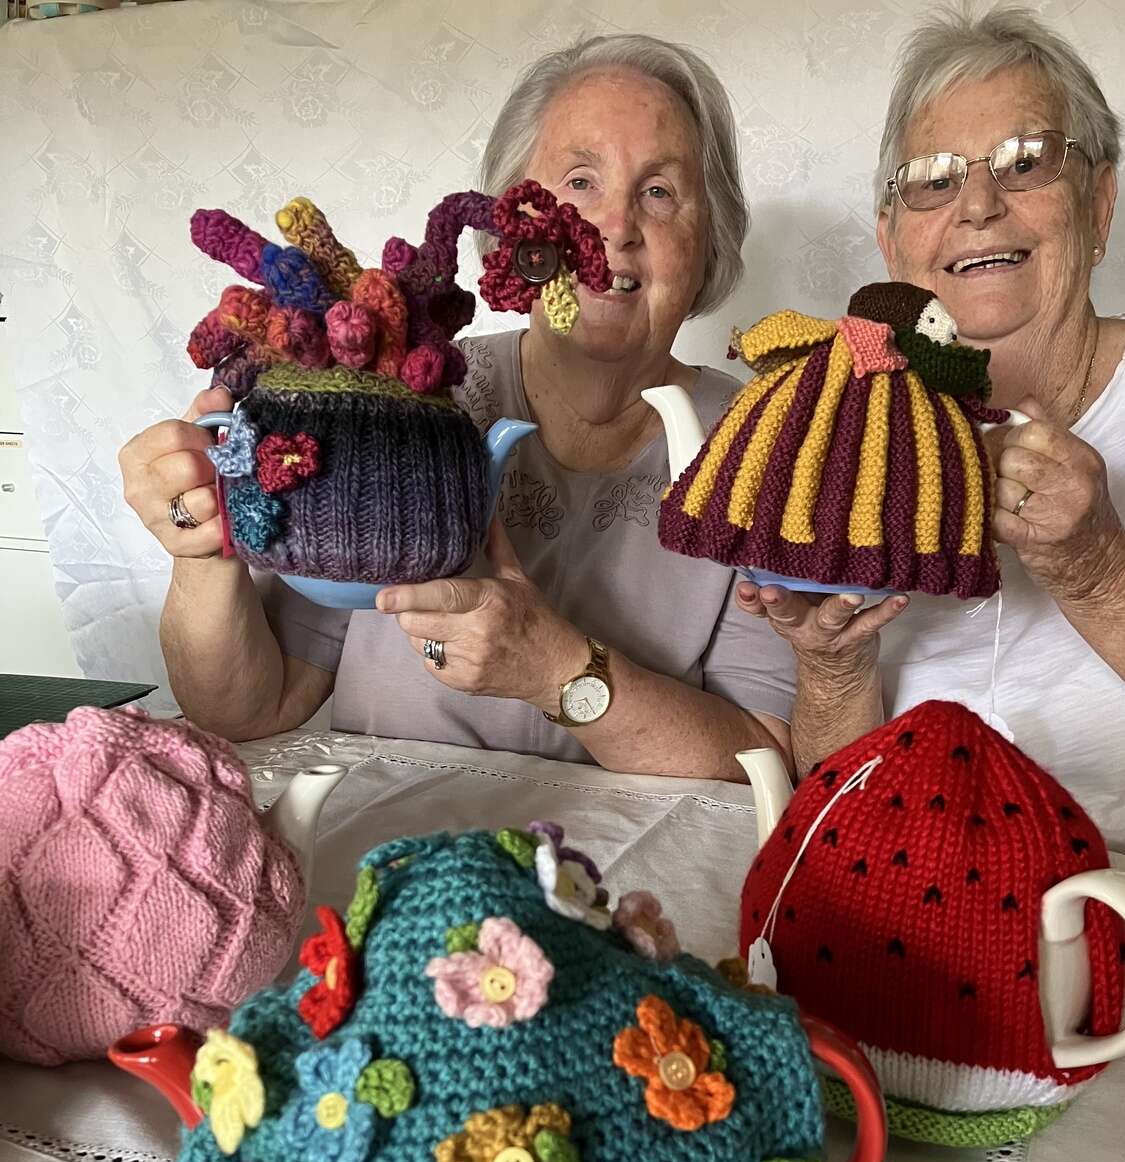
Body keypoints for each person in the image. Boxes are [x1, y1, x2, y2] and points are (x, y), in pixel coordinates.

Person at [118, 35, 795, 781]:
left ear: (709, 243)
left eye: (660, 192)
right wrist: (204, 545)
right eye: (580, 182)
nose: (615, 226)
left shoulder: (765, 443)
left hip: (635, 857)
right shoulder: (403, 395)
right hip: (389, 840)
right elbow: (250, 708)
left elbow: (763, 759)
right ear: (509, 228)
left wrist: (559, 672)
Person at [736, 4, 1125, 871]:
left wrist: (1102, 573)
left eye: (1026, 161)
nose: (979, 205)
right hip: (915, 908)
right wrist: (833, 663)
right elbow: (835, 817)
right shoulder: (853, 439)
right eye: (934, 179)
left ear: (1099, 207)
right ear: (892, 242)